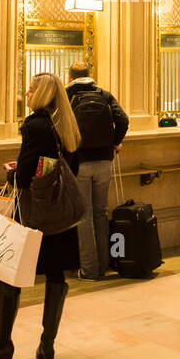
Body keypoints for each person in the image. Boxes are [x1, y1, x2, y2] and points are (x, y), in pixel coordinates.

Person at [0, 72, 81, 359]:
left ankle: (1, 345)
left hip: (34, 213)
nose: (27, 94)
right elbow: (66, 167)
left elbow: (24, 175)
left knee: (9, 273)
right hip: (60, 215)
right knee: (56, 276)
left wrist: (12, 173)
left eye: (31, 90)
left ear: (42, 94)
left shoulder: (35, 125)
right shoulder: (66, 124)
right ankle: (47, 344)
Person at [65, 62, 129, 280]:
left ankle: (89, 270)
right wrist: (115, 142)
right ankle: (103, 264)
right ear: (90, 75)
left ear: (70, 76)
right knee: (101, 212)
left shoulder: (67, 95)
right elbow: (123, 120)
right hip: (105, 161)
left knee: (85, 215)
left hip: (80, 161)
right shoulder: (104, 93)